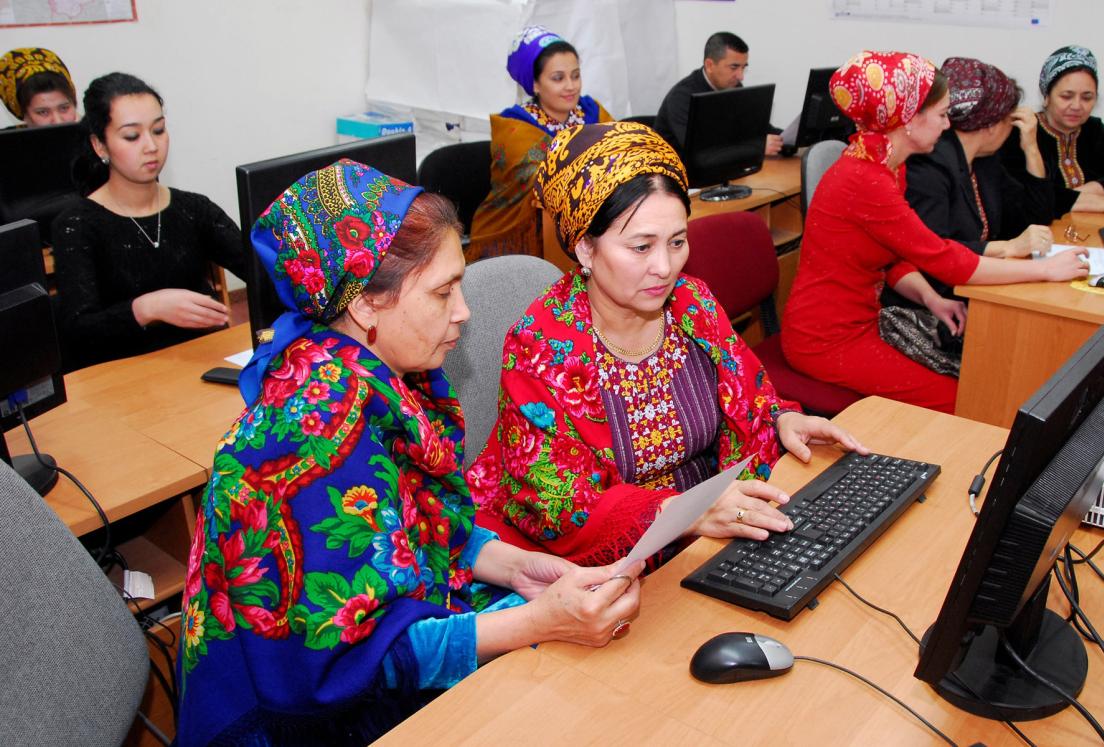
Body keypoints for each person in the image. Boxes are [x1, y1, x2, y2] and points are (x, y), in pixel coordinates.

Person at [178, 160, 641, 746]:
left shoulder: (376, 370)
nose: (464, 311)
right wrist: (536, 621)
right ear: (367, 303)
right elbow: (362, 660)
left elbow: (411, 531)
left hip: (365, 659)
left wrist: (513, 565)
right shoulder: (314, 437)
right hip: (299, 718)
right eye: (443, 291)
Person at [467, 121, 863, 568]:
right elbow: (559, 507)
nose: (665, 266)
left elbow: (750, 398)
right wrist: (687, 512)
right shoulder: (540, 344)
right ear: (585, 249)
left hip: (709, 531)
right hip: (611, 561)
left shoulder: (691, 302)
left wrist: (783, 418)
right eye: (641, 247)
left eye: (677, 242)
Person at [781, 51, 1088, 415]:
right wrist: (1045, 269)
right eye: (942, 115)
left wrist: (932, 300)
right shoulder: (867, 178)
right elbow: (945, 260)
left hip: (860, 322)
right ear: (909, 120)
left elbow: (893, 257)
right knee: (965, 400)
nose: (948, 126)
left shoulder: (885, 163)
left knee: (977, 381)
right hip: (826, 340)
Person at [52, 73, 247, 370]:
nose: (151, 146)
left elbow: (259, 270)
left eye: (158, 130)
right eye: (132, 136)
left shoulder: (193, 208)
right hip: (123, 377)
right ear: (100, 146)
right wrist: (145, 309)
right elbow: (78, 330)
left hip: (201, 363)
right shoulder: (77, 225)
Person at [885, 56, 1055, 307]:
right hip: (932, 304)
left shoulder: (984, 161)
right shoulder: (927, 167)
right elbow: (930, 254)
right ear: (991, 125)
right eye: (1010, 119)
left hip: (967, 290)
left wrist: (1031, 148)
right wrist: (1006, 247)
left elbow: (1037, 214)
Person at [469, 25, 612, 258]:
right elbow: (546, 182)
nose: (571, 86)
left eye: (576, 75)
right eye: (558, 78)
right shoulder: (515, 126)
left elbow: (623, 154)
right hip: (516, 240)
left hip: (586, 225)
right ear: (535, 84)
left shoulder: (590, 111)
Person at [999, 45, 1104, 217]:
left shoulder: (1092, 129)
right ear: (1046, 97)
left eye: (1087, 97)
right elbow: (1028, 197)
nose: (1077, 106)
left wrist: (1080, 193)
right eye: (1066, 96)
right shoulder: (1021, 131)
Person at [653, 31, 782, 157]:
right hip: (675, 173)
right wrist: (755, 147)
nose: (741, 76)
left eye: (743, 67)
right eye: (734, 67)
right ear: (709, 65)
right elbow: (701, 151)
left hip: (718, 170)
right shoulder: (681, 97)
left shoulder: (733, 86)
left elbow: (756, 126)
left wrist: (790, 137)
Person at [0, 47, 76, 127]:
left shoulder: (88, 135)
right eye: (43, 112)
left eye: (64, 108)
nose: (58, 121)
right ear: (23, 113)